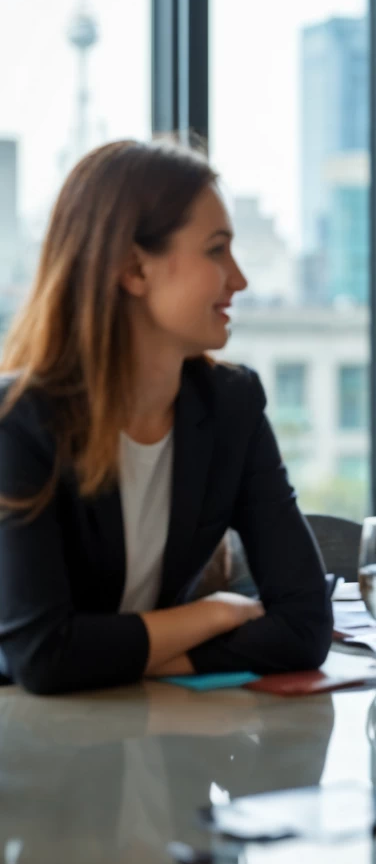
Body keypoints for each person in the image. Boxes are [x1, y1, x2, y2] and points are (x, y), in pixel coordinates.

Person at [0, 140, 333, 695]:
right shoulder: (22, 423)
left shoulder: (233, 404)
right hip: (32, 747)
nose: (240, 279)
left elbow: (304, 628)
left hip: (158, 731)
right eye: (216, 250)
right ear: (134, 268)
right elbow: (44, 657)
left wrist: (126, 655)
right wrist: (211, 616)